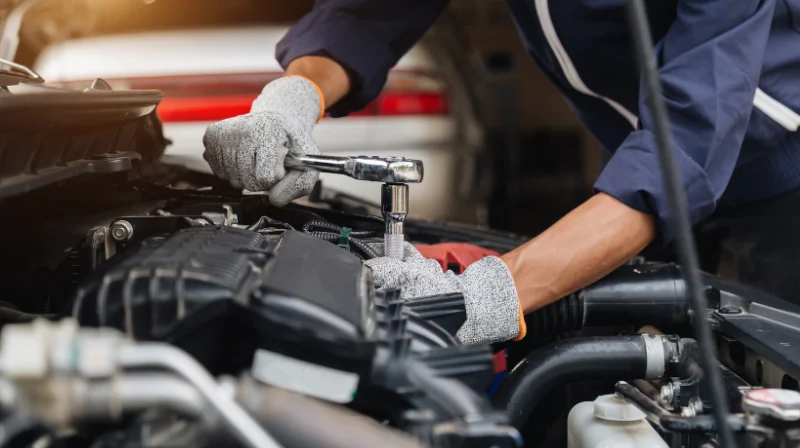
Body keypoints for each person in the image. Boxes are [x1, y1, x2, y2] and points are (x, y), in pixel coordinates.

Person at [203, 0, 800, 345]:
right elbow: (366, 14)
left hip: (781, 175)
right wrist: (294, 97)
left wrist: (492, 289)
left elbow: (690, 140)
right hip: (646, 169)